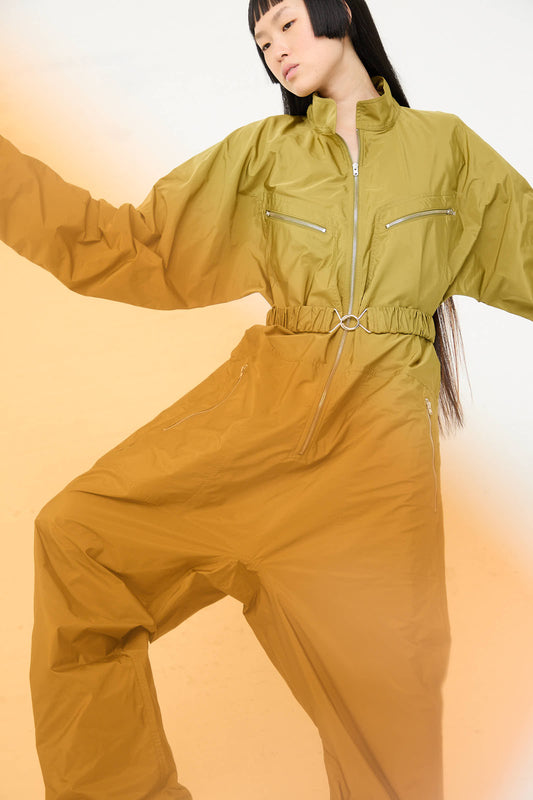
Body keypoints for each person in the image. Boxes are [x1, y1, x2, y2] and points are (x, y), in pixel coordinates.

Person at [0, 0, 531, 798]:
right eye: (259, 41)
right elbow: (124, 246)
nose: (274, 50)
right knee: (79, 541)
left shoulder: (445, 150)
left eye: (283, 23)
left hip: (375, 476)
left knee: (393, 741)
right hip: (253, 433)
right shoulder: (262, 156)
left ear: (341, 11)